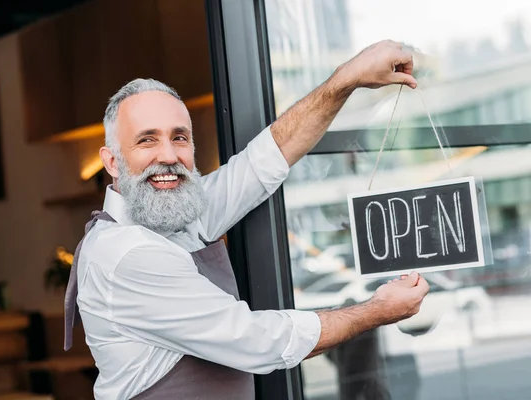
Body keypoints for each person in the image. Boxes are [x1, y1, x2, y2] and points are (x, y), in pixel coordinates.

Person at [63, 40, 430, 399]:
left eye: (179, 138)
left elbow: (266, 159)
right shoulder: (127, 254)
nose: (168, 155)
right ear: (112, 161)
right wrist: (376, 311)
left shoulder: (174, 210)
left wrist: (348, 77)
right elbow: (258, 341)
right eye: (147, 140)